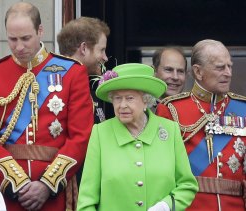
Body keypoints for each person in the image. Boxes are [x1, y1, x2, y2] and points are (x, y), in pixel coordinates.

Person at [0, 2, 93, 211]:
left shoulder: (72, 73)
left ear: (40, 31)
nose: (19, 47)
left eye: (25, 38)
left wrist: (47, 184)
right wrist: (17, 182)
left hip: (54, 191)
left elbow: (80, 137)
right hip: (6, 193)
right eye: (12, 39)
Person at [77, 63, 198, 210]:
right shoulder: (100, 134)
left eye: (129, 98)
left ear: (146, 100)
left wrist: (166, 206)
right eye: (117, 98)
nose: (122, 105)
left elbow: (187, 185)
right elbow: (86, 201)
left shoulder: (170, 130)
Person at [156, 39, 246, 210]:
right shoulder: (171, 109)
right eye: (220, 67)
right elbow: (162, 170)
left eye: (230, 66)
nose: (228, 73)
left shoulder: (242, 108)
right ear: (198, 72)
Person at [57, 16, 114, 123]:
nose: (105, 58)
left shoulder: (89, 85)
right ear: (83, 48)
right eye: (102, 50)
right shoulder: (57, 90)